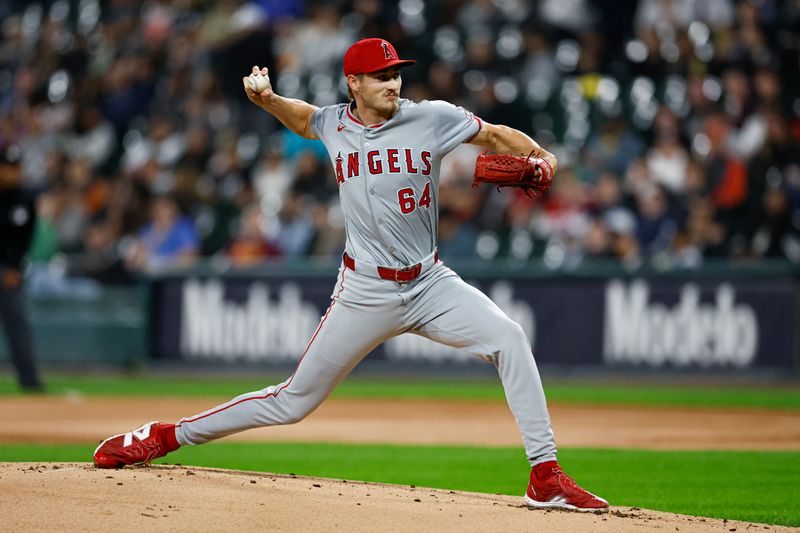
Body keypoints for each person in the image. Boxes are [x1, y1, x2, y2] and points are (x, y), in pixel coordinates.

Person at [93, 38, 608, 513]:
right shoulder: (335, 123)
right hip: (365, 290)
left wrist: (541, 156)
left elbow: (495, 135)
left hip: (430, 283)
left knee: (510, 338)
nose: (393, 83)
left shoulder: (432, 117)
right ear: (354, 84)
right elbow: (305, 119)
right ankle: (165, 436)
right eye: (381, 75)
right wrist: (268, 99)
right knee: (292, 402)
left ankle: (545, 474)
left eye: (397, 74)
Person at [0, 145, 44, 392]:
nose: (11, 173)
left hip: (9, 272)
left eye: (15, 168)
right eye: (7, 168)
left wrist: (14, 268)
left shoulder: (25, 199)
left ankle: (30, 384)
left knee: (19, 328)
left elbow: (24, 240)